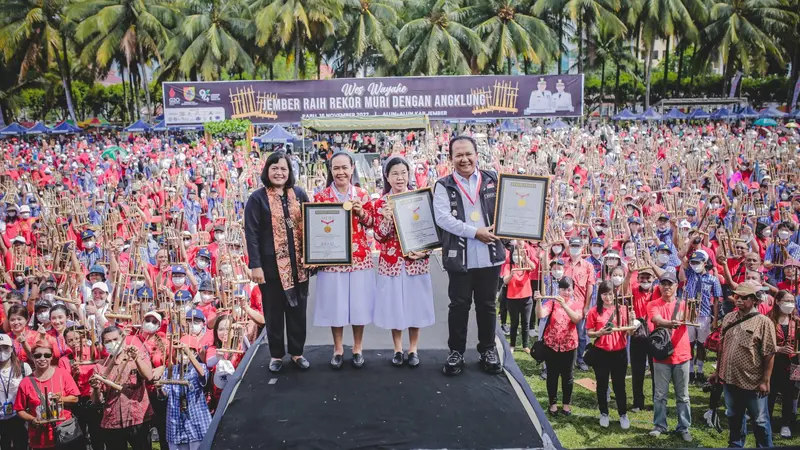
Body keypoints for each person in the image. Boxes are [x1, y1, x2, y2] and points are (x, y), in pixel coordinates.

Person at [433, 136, 505, 376]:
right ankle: (456, 352)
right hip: (460, 256)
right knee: (459, 306)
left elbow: (509, 207)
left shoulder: (493, 179)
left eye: (468, 154)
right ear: (451, 158)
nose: (464, 159)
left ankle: (488, 350)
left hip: (489, 254)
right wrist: (475, 232)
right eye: (458, 155)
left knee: (487, 306)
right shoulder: (443, 185)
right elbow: (443, 219)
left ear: (476, 154)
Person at [244, 152, 310, 373]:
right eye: (275, 168)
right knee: (273, 312)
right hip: (270, 268)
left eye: (283, 168)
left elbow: (311, 226)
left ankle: (297, 352)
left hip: (298, 266)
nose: (279, 172)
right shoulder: (257, 198)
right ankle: (276, 355)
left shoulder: (299, 194)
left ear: (289, 172)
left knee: (298, 311)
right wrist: (256, 265)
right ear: (267, 170)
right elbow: (251, 233)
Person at [312, 152, 375, 369]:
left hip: (359, 258)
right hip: (332, 260)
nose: (340, 172)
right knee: (335, 305)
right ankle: (338, 348)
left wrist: (361, 213)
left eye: (344, 167)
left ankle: (357, 347)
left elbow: (372, 223)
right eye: (336, 168)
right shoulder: (321, 197)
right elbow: (315, 228)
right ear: (330, 170)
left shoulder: (362, 194)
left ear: (352, 168)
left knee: (358, 304)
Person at [372, 157, 435, 367]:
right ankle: (398, 348)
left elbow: (429, 232)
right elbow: (379, 237)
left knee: (415, 304)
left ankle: (413, 349)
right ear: (387, 177)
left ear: (409, 175)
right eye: (395, 173)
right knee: (394, 305)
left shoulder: (419, 199)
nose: (400, 177)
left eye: (403, 173)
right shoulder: (381, 203)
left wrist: (425, 251)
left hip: (415, 261)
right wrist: (386, 218)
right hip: (391, 262)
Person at [711, 281, 776, 448]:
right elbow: (721, 347)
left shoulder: (763, 322)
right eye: (737, 296)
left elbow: (769, 353)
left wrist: (765, 381)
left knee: (760, 420)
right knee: (733, 415)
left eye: (744, 297)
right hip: (729, 378)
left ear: (754, 299)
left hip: (753, 381)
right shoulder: (728, 318)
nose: (739, 300)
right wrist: (718, 371)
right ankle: (736, 445)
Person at [89, 326, 153, 450]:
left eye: (115, 339)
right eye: (108, 341)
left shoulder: (136, 356)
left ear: (123, 340)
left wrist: (136, 358)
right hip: (112, 420)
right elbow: (96, 401)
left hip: (137, 418)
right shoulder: (100, 367)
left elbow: (149, 376)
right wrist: (96, 388)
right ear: (103, 345)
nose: (113, 344)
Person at [648, 272, 693, 442]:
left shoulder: (684, 304)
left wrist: (684, 318)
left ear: (677, 286)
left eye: (670, 283)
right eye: (663, 283)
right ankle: (659, 425)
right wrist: (671, 323)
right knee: (660, 395)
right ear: (659, 286)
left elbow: (690, 318)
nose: (666, 287)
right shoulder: (653, 304)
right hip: (661, 356)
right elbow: (656, 319)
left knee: (683, 395)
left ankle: (684, 427)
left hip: (681, 355)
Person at [14, 339, 82, 450]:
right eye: (38, 355)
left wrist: (61, 399)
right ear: (32, 357)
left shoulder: (62, 374)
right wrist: (32, 419)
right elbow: (19, 409)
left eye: (47, 355)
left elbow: (75, 398)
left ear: (51, 357)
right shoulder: (26, 382)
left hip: (64, 433)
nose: (42, 359)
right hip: (40, 438)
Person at [586, 281, 632, 429]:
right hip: (601, 353)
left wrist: (632, 320)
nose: (608, 297)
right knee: (602, 385)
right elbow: (589, 332)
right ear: (600, 295)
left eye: (610, 293)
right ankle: (604, 413)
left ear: (615, 294)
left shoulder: (623, 310)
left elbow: (630, 332)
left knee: (619, 385)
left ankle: (623, 414)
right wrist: (599, 333)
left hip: (619, 352)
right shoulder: (594, 311)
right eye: (604, 294)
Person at [535, 277, 583, 416]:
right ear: (558, 290)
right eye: (563, 289)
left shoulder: (576, 304)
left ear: (573, 290)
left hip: (569, 345)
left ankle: (566, 404)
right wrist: (538, 300)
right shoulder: (552, 303)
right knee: (552, 375)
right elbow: (540, 314)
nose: (566, 293)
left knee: (568, 376)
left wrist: (565, 305)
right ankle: (553, 403)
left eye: (569, 289)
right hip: (552, 345)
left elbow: (576, 319)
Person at [161, 336, 212, 450]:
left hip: (197, 421)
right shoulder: (171, 370)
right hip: (176, 423)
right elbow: (164, 394)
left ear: (194, 353)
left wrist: (187, 351)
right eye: (179, 352)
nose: (182, 354)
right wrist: (160, 388)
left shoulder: (200, 367)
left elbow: (202, 375)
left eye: (187, 351)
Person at [766, 290, 797, 439]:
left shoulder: (796, 321)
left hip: (791, 363)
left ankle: (786, 424)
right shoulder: (768, 320)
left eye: (792, 301)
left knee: (789, 394)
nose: (790, 304)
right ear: (778, 301)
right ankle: (766, 422)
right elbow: (762, 343)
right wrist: (778, 349)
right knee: (770, 394)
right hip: (772, 363)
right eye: (787, 300)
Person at [500, 241, 534, 353]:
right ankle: (512, 345)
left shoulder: (525, 264)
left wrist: (525, 258)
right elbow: (505, 280)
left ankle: (525, 345)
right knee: (514, 323)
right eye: (514, 254)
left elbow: (533, 267)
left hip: (527, 297)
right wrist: (511, 274)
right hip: (512, 298)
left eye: (518, 254)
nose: (516, 256)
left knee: (526, 322)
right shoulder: (508, 266)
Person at [0, 333, 31, 450]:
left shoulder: (24, 367)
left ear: (11, 348)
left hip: (19, 418)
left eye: (5, 347)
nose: (2, 351)